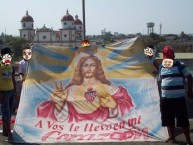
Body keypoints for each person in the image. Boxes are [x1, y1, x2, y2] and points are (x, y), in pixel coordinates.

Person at [37, 55, 134, 122]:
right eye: (85, 65)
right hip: (76, 129)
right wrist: (60, 105)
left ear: (98, 68)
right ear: (80, 68)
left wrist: (114, 107)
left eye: (92, 65)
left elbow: (127, 109)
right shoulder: (70, 90)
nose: (89, 68)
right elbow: (60, 118)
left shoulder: (110, 89)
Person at [159, 46, 193, 145]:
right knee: (168, 119)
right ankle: (172, 137)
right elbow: (162, 80)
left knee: (183, 120)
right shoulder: (161, 67)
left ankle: (188, 139)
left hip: (179, 99)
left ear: (173, 56)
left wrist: (190, 91)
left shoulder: (180, 65)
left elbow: (190, 77)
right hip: (166, 99)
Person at [0, 47, 16, 140]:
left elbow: (13, 78)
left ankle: (5, 132)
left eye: (10, 54)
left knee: (9, 113)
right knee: (5, 113)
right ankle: (10, 135)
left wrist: (15, 90)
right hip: (3, 93)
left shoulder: (11, 66)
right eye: (7, 54)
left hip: (11, 92)